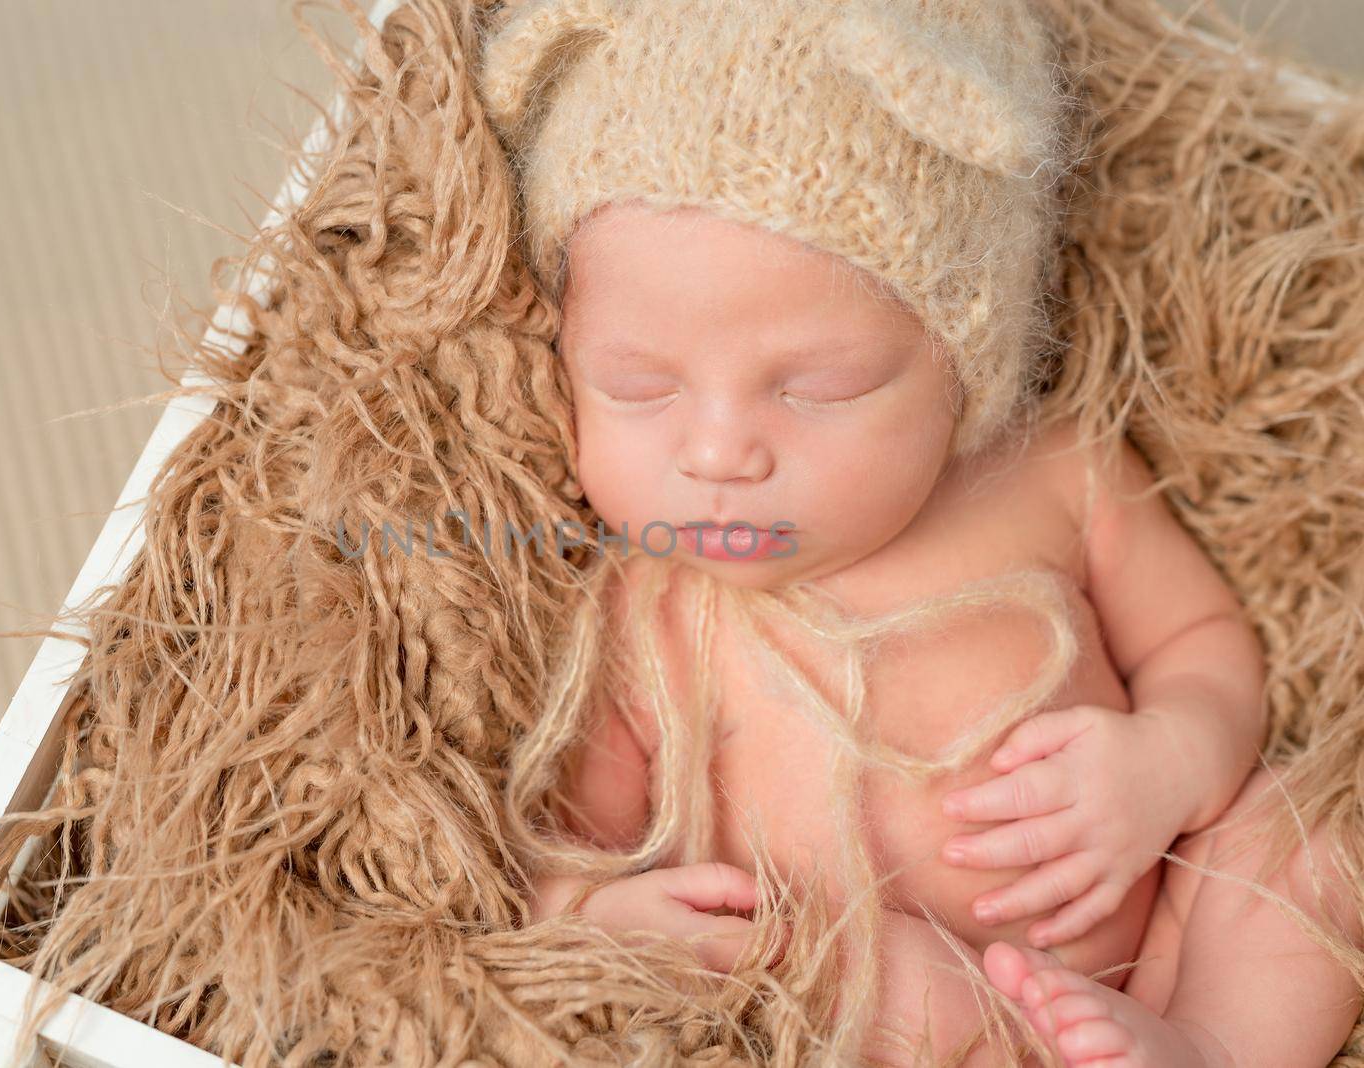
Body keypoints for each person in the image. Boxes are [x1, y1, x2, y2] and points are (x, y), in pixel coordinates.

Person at [478, 1, 1364, 1064]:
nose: (716, 451)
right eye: (636, 386)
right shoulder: (649, 607)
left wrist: (1167, 763)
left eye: (816, 387)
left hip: (1167, 941)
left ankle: (1217, 1049)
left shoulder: (1052, 470)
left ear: (960, 366)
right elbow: (569, 845)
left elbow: (1198, 644)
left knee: (1309, 840)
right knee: (861, 962)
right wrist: (597, 916)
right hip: (918, 1007)